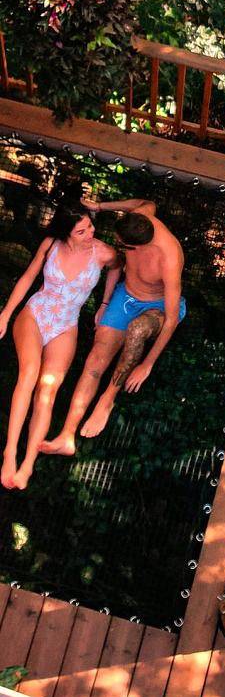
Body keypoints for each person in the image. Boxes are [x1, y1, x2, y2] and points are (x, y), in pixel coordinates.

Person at [41, 196, 186, 456]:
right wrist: (100, 207)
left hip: (158, 306)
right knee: (95, 360)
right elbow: (147, 201)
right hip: (126, 297)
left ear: (137, 246)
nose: (118, 246)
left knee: (138, 330)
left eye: (123, 245)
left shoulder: (169, 257)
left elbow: (173, 318)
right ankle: (66, 436)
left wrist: (148, 364)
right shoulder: (142, 216)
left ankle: (108, 398)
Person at [0, 200, 119, 489]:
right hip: (36, 313)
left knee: (48, 389)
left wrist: (104, 302)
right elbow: (29, 277)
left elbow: (117, 268)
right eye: (80, 231)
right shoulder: (51, 244)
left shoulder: (104, 253)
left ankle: (27, 464)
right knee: (28, 375)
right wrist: (5, 314)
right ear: (66, 232)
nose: (89, 233)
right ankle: (9, 453)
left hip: (66, 324)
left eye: (89, 226)